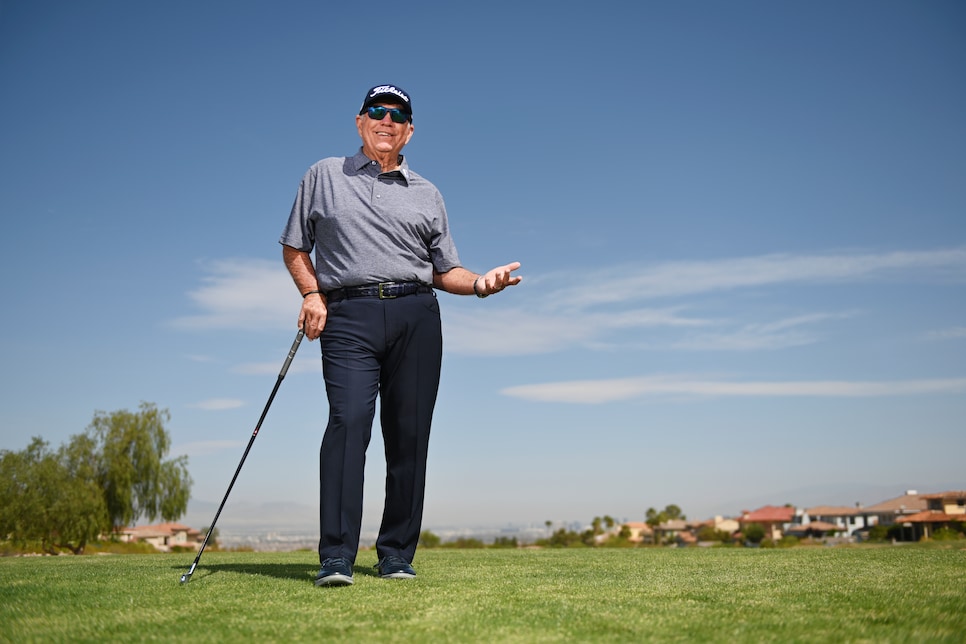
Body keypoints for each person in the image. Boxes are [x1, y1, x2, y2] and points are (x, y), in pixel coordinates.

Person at [280, 84, 521, 587]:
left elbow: (444, 270)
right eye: (376, 111)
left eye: (397, 115)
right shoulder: (324, 175)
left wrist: (479, 284)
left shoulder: (428, 193)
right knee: (348, 423)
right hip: (347, 316)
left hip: (416, 316)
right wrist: (310, 294)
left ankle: (394, 554)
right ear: (359, 120)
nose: (386, 120)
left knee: (409, 436)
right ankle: (337, 556)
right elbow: (296, 248)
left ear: (409, 129)